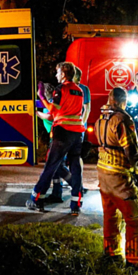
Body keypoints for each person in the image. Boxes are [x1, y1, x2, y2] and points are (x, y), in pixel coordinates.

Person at [95, 86, 138, 269]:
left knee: (110, 215)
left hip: (103, 174)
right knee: (136, 218)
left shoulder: (101, 118)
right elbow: (131, 150)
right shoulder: (122, 119)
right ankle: (135, 263)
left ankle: (111, 254)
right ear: (122, 101)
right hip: (119, 175)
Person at [27, 62, 86, 214]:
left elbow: (53, 110)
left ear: (64, 74)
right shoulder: (79, 90)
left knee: (51, 166)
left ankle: (36, 199)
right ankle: (76, 205)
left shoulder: (62, 88)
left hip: (62, 132)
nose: (56, 75)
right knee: (76, 168)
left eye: (58, 72)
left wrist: (41, 97)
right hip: (77, 133)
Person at [49, 65, 91, 203]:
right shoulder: (69, 89)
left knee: (62, 161)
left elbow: (87, 109)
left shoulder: (79, 89)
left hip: (70, 130)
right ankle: (61, 191)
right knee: (62, 162)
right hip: (67, 129)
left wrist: (80, 125)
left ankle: (76, 187)